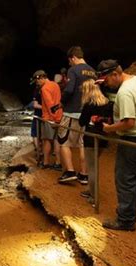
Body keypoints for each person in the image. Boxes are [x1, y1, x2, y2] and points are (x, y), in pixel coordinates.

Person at [97, 59, 136, 231]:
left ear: (115, 74)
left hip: (133, 139)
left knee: (124, 179)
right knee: (134, 177)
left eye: (106, 80)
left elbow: (129, 122)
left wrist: (109, 128)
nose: (105, 84)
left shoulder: (125, 92)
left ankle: (126, 220)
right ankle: (131, 211)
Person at [57, 46, 96, 184]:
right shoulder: (93, 71)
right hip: (87, 114)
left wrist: (61, 102)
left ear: (73, 57)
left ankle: (70, 172)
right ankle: (84, 175)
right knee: (82, 144)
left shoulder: (73, 70)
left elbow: (69, 89)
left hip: (72, 112)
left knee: (64, 142)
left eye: (70, 61)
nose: (70, 64)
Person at [78, 79, 114, 205]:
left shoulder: (89, 105)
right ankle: (90, 189)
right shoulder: (108, 103)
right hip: (103, 138)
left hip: (90, 138)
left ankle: (94, 197)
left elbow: (81, 122)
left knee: (91, 168)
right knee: (94, 164)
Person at [31, 70, 63, 169]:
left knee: (46, 141)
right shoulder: (55, 85)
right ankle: (58, 162)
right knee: (57, 141)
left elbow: (50, 105)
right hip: (59, 116)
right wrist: (58, 118)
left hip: (49, 118)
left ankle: (46, 163)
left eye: (37, 81)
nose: (37, 83)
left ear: (41, 78)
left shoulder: (44, 88)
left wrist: (52, 119)